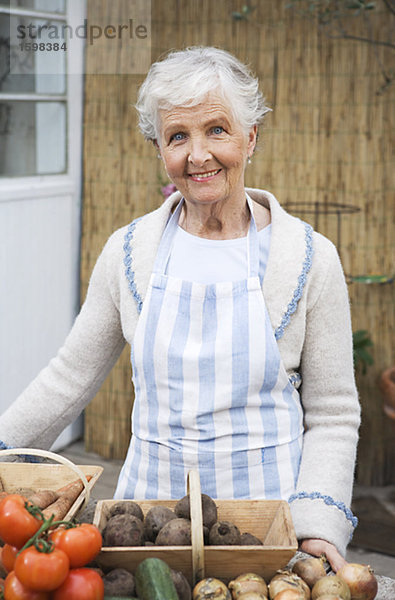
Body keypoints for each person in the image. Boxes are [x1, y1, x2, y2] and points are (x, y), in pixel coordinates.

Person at [0, 46, 360, 571]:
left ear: (251, 136)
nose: (198, 155)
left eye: (218, 130)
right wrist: (5, 448)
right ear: (158, 149)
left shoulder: (308, 258)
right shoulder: (130, 252)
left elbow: (333, 413)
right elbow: (68, 377)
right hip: (143, 531)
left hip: (265, 535)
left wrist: (317, 525)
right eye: (177, 137)